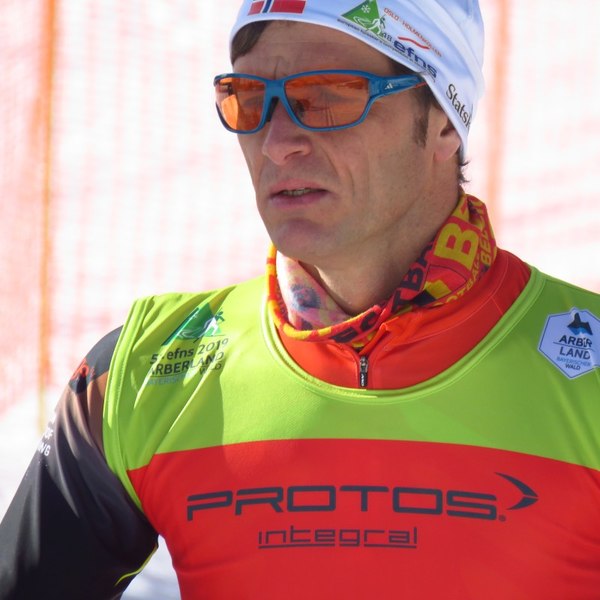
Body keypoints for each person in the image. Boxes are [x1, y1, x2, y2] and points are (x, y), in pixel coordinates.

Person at [1, 0, 600, 598]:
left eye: (327, 99)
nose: (277, 142)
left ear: (444, 120)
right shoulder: (142, 373)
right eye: (249, 99)